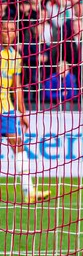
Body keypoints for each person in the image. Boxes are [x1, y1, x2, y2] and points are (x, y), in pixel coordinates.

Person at [0, 21, 50, 203]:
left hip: (6, 109)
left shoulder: (15, 56)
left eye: (12, 30)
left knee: (19, 146)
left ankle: (28, 191)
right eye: (5, 29)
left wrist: (23, 112)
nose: (8, 33)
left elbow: (17, 87)